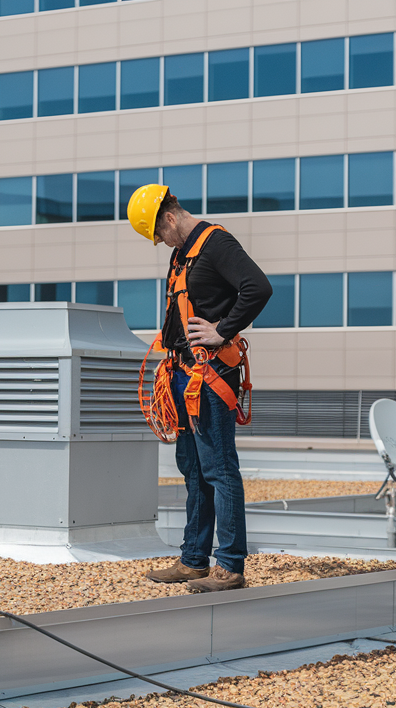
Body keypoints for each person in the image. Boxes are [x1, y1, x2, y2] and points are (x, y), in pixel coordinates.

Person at [126, 184, 273, 592]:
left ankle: (229, 566)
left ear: (169, 218)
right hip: (181, 374)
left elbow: (258, 288)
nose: (160, 242)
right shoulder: (182, 253)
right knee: (193, 470)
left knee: (219, 469)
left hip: (209, 377)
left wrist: (222, 330)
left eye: (158, 234)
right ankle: (194, 560)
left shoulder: (216, 244)